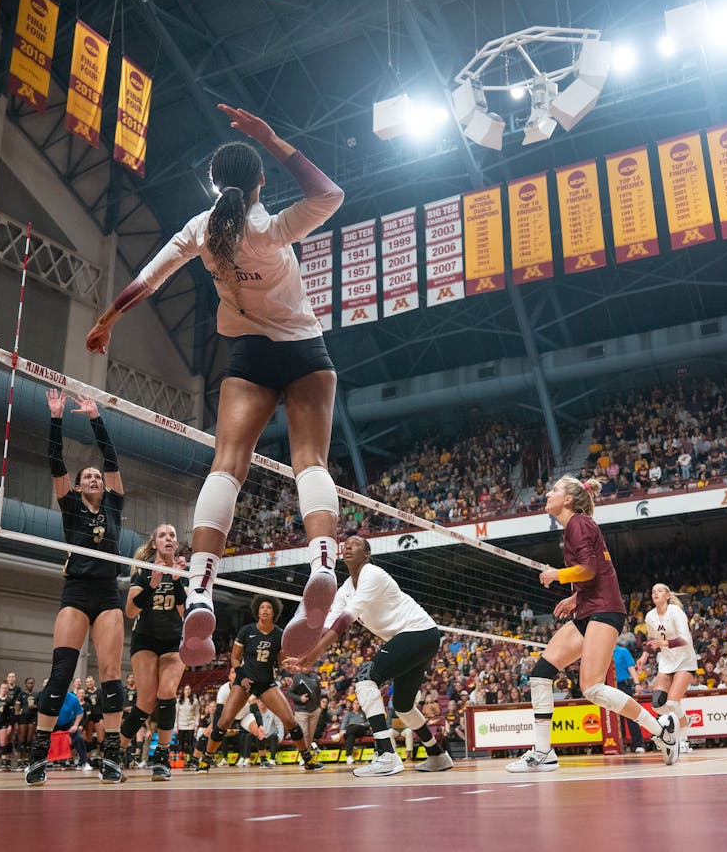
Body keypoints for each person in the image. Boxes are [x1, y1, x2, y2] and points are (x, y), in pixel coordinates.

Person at [85, 103, 345, 667]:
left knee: (226, 464)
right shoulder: (272, 228)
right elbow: (330, 195)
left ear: (213, 184)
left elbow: (148, 280)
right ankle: (323, 565)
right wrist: (272, 136)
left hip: (248, 354)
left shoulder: (201, 231)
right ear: (258, 183)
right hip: (303, 350)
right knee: (311, 463)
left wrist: (108, 320)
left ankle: (199, 589)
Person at [507, 478, 678, 773]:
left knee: (592, 688)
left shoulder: (579, 524)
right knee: (541, 673)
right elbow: (599, 572)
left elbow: (588, 569)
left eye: (555, 490)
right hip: (589, 609)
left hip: (605, 611)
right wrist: (576, 597)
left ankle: (661, 731)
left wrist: (557, 575)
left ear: (569, 500)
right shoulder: (577, 525)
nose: (548, 493)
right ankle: (543, 752)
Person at [284, 534, 453, 777]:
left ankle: (386, 755)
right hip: (417, 638)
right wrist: (303, 654)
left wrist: (313, 656)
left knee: (365, 678)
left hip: (419, 632)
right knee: (403, 706)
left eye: (356, 544)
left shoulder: (372, 574)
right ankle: (437, 755)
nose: (348, 546)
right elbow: (329, 623)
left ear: (367, 554)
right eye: (346, 544)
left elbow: (345, 620)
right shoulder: (345, 589)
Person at [25, 389, 128, 786]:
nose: (94, 479)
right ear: (80, 485)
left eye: (97, 477)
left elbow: (112, 458)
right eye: (87, 477)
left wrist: (95, 419)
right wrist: (55, 417)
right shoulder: (69, 506)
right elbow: (54, 462)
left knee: (109, 674)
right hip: (76, 592)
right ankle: (38, 755)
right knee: (62, 672)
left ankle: (113, 754)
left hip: (107, 594)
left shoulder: (115, 504)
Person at [196, 595, 323, 773]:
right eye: (262, 607)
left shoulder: (279, 634)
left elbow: (282, 662)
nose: (264, 610)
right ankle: (205, 760)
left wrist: (286, 674)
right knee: (224, 721)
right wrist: (241, 675)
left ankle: (308, 758)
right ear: (257, 611)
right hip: (244, 681)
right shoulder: (246, 630)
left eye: (268, 607)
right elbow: (234, 658)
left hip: (266, 683)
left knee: (290, 721)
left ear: (274, 612)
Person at [121, 523, 189, 781]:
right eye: (163, 535)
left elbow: (186, 614)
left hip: (173, 641)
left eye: (172, 535)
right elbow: (129, 611)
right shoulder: (143, 572)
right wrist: (152, 585)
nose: (168, 538)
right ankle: (117, 752)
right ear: (154, 544)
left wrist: (175, 582)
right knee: (146, 700)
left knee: (167, 692)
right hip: (146, 639)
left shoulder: (183, 572)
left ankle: (162, 757)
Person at [641, 583, 697, 749]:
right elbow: (651, 638)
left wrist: (664, 643)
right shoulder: (650, 616)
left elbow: (685, 639)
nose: (655, 593)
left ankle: (683, 739)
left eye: (659, 590)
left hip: (685, 659)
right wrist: (644, 655)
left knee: (672, 703)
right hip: (666, 662)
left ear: (667, 595)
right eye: (653, 591)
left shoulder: (676, 612)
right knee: (658, 705)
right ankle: (684, 720)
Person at [612, 636, 645, 752]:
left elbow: (631, 669)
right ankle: (621, 745)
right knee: (615, 717)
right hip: (610, 687)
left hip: (624, 685)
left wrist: (637, 683)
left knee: (631, 715)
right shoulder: (603, 654)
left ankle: (638, 744)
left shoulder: (623, 651)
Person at [175, 685, 199, 756]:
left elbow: (197, 714)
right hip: (181, 724)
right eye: (186, 689)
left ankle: (191, 759)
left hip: (191, 725)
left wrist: (196, 725)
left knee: (190, 743)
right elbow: (176, 714)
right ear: (183, 691)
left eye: (189, 689)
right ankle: (180, 759)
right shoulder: (178, 701)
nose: (187, 691)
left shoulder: (195, 701)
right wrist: (176, 726)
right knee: (180, 743)